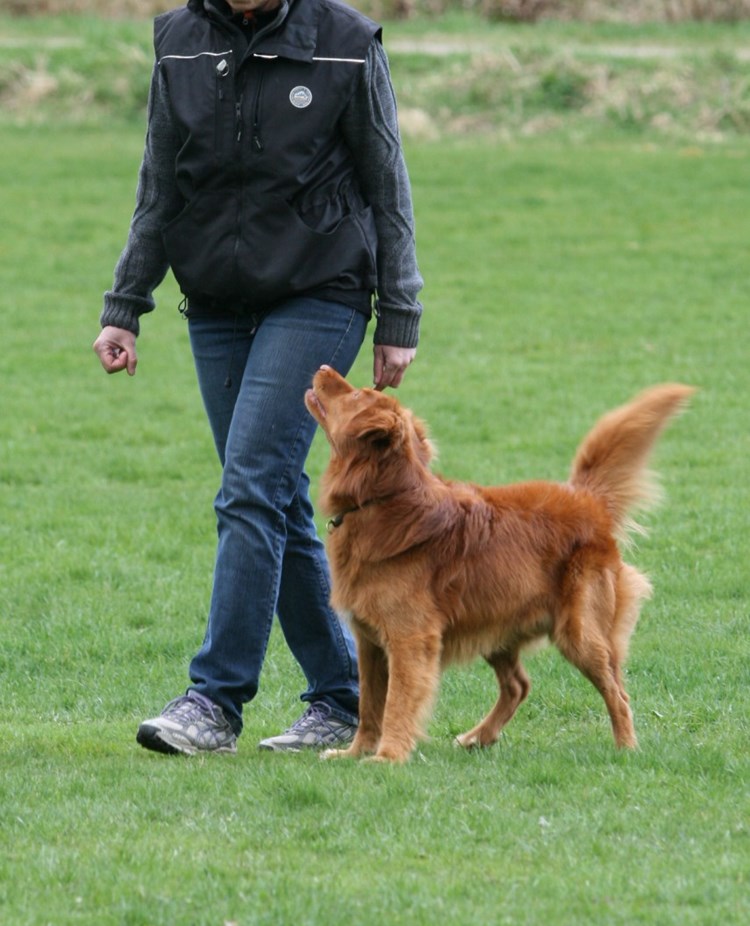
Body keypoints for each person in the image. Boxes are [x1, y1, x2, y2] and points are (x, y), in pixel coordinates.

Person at [93, 0, 422, 756]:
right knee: (271, 495)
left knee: (249, 487)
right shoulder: (178, 40)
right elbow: (160, 186)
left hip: (321, 291)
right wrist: (125, 305)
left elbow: (388, 185)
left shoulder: (345, 43)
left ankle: (214, 700)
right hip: (215, 300)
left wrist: (400, 311)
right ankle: (343, 698)